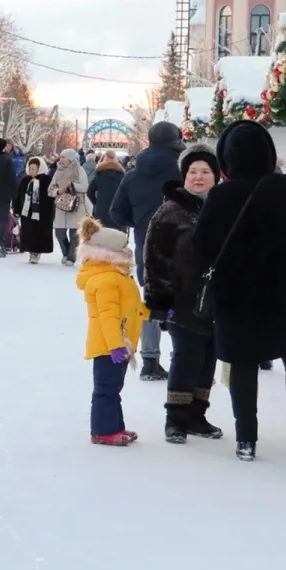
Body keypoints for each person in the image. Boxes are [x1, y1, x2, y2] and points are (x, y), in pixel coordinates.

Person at [193, 120, 286, 463]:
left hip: (235, 296)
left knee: (243, 363)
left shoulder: (221, 195)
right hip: (283, 293)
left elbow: (201, 245)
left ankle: (246, 440)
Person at [142, 147, 225, 443]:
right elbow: (154, 258)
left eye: (205, 172)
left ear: (216, 176)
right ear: (184, 176)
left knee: (208, 359)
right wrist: (159, 301)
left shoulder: (223, 209)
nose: (199, 177)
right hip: (181, 299)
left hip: (216, 300)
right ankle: (175, 419)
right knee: (187, 356)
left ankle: (197, 416)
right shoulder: (171, 210)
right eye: (193, 172)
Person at [109, 122, 185, 381]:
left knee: (151, 299)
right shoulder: (185, 171)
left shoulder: (132, 174)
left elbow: (116, 212)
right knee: (184, 300)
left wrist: (141, 222)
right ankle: (183, 359)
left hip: (146, 246)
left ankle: (150, 361)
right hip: (183, 244)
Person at [76, 219, 148, 446]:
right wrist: (115, 345)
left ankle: (115, 426)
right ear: (106, 253)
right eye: (123, 248)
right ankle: (103, 431)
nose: (128, 251)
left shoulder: (119, 275)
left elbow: (132, 308)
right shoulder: (106, 279)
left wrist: (155, 313)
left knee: (114, 389)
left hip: (118, 344)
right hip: (109, 346)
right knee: (106, 390)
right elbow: (107, 315)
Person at [51, 148, 90, 266]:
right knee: (59, 232)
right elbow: (50, 189)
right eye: (60, 157)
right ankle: (66, 253)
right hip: (61, 205)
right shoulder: (58, 170)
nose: (61, 159)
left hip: (76, 206)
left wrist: (72, 185)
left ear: (70, 158)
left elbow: (84, 187)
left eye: (63, 157)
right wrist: (58, 190)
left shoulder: (79, 170)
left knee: (74, 234)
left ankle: (71, 258)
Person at [15, 156, 56, 264]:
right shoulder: (25, 180)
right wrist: (17, 209)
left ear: (40, 168)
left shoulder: (47, 180)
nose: (31, 171)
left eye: (34, 169)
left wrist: (49, 211)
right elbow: (19, 196)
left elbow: (51, 197)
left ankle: (36, 252)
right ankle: (31, 251)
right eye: (30, 168)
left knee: (39, 233)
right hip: (27, 212)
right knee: (28, 232)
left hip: (42, 213)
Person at [86, 149, 126, 226]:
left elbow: (90, 192)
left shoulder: (99, 175)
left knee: (101, 234)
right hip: (118, 210)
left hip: (101, 210)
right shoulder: (122, 175)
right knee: (118, 235)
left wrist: (96, 202)